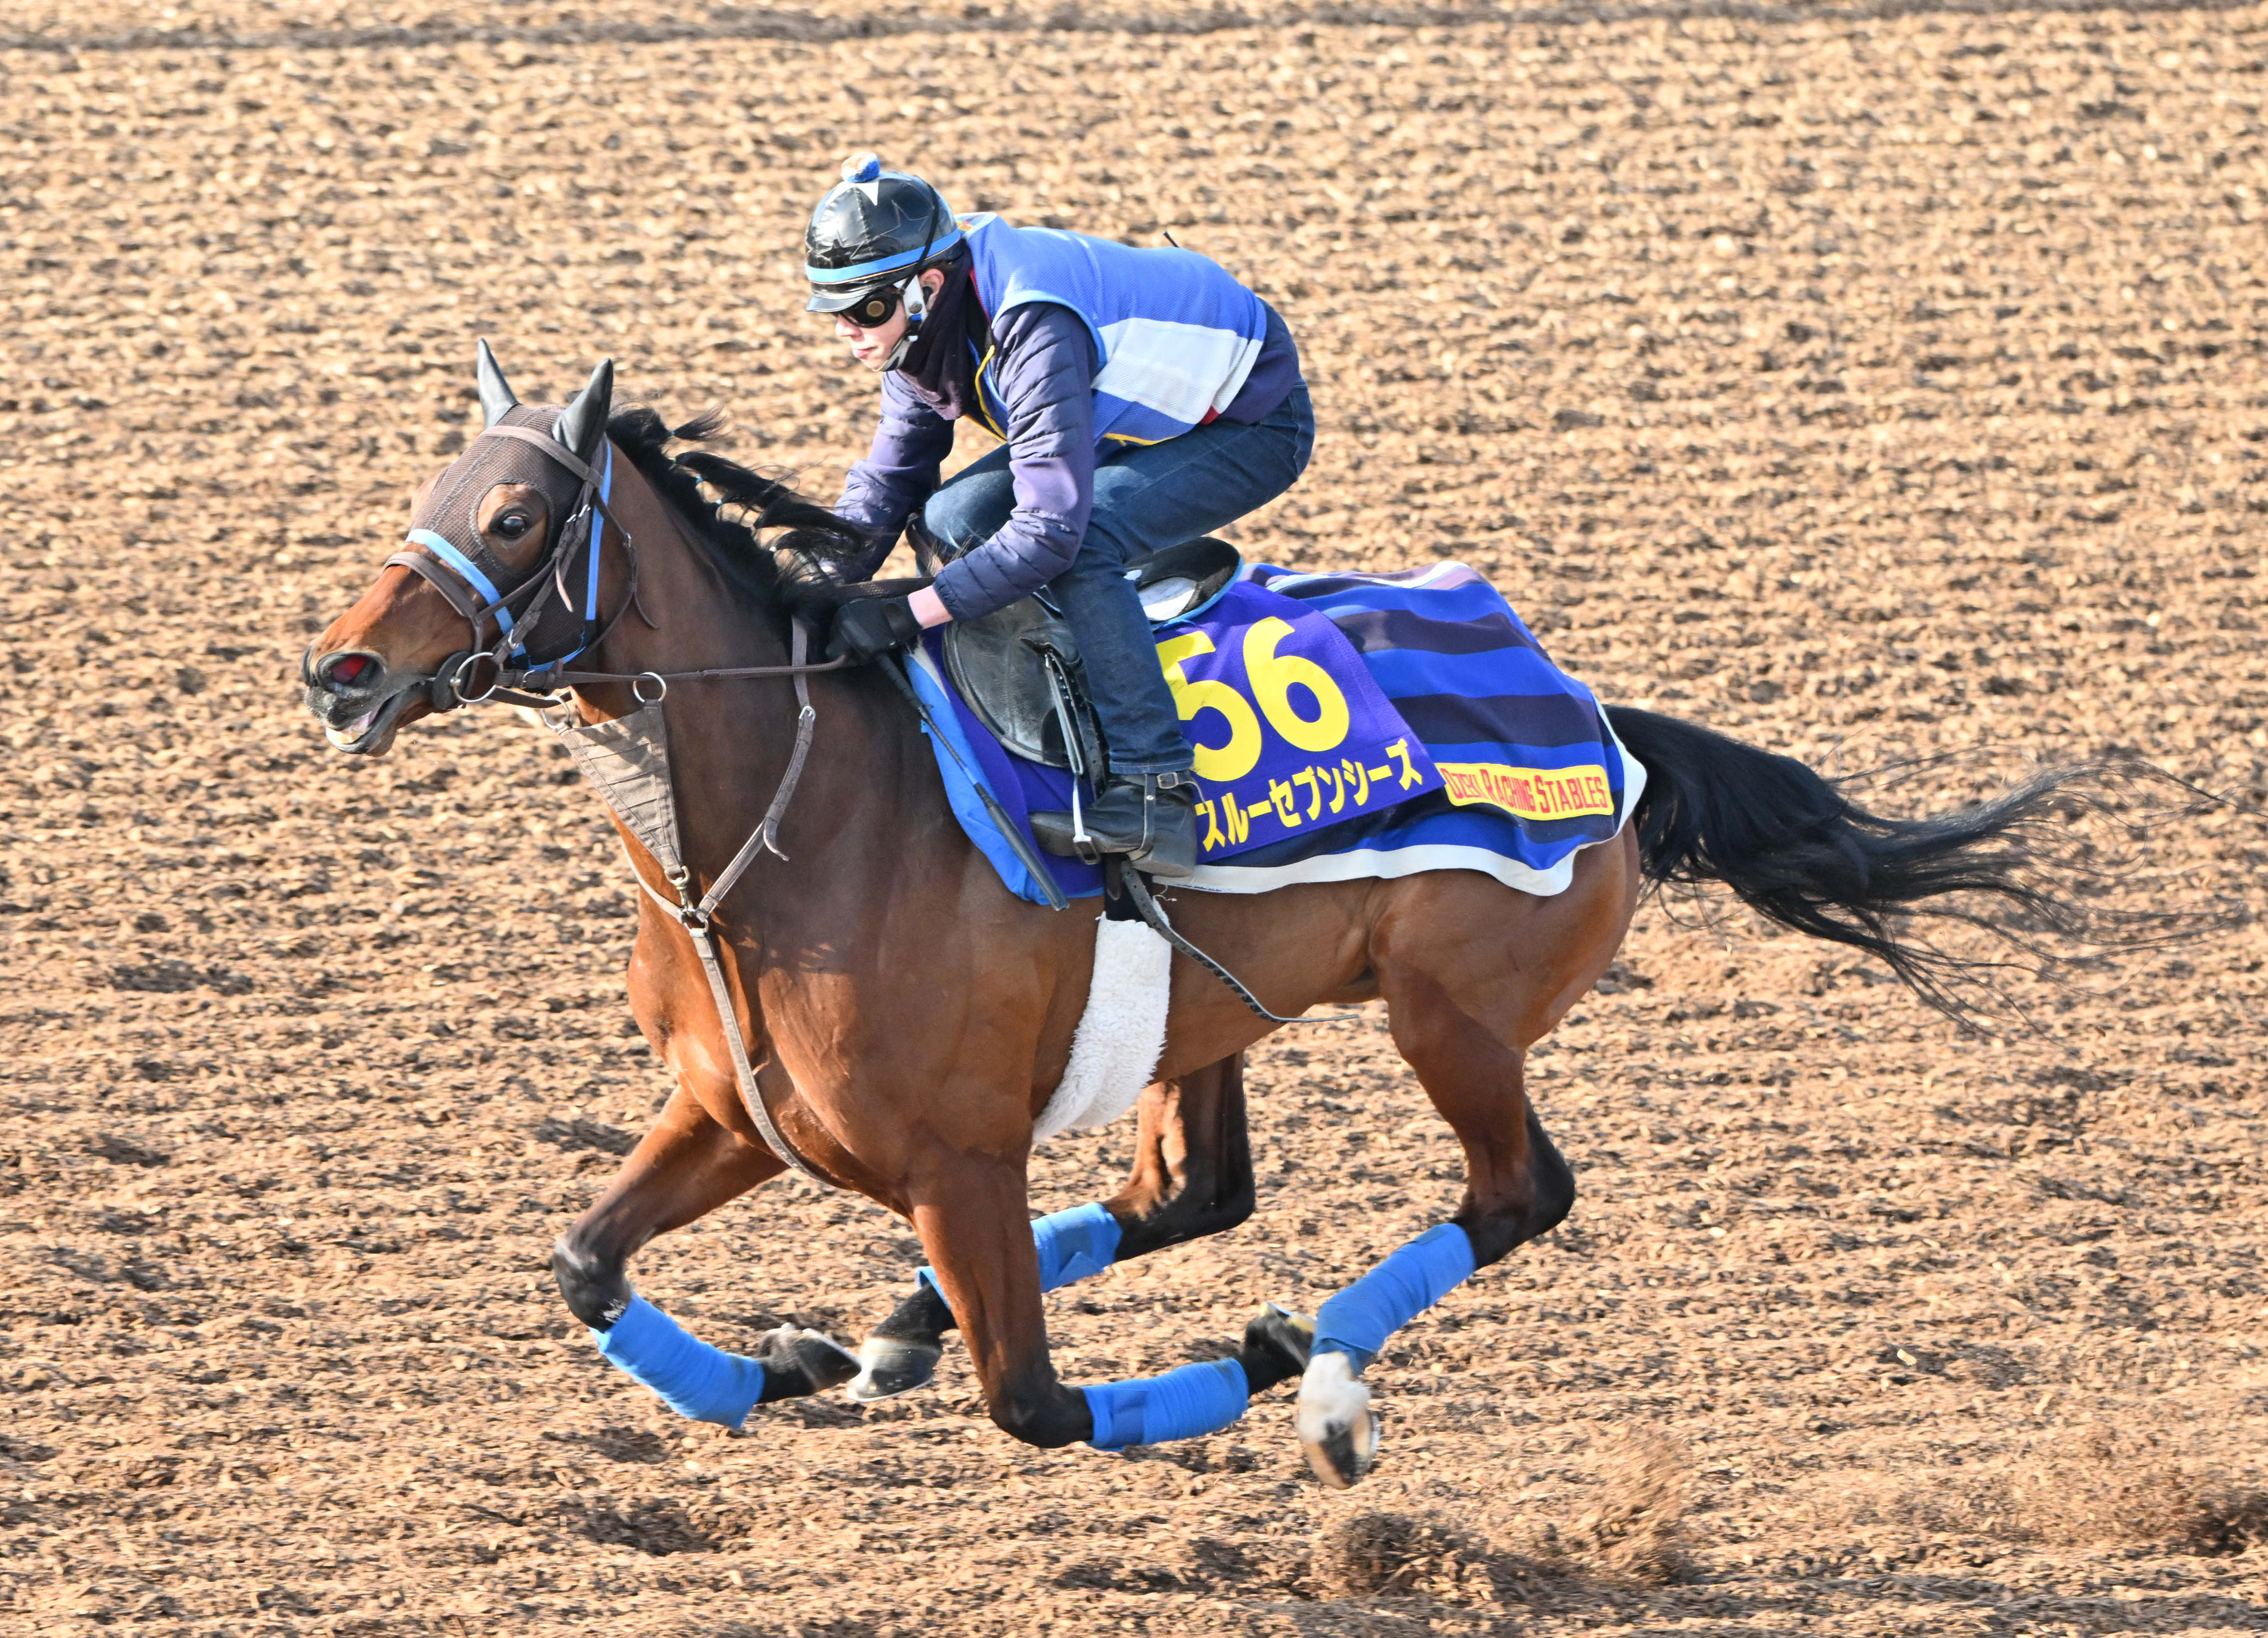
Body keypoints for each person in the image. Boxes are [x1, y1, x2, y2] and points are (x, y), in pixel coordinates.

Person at [807, 154, 1313, 879]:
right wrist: (805, 585)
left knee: (1083, 544)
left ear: (925, 288)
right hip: (1124, 403)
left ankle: (1154, 791)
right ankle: (1069, 686)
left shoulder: (1031, 323)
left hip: (1250, 420)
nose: (852, 334)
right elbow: (893, 480)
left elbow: (1049, 531)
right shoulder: (925, 321)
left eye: (867, 310)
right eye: (836, 314)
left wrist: (907, 613)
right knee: (952, 513)